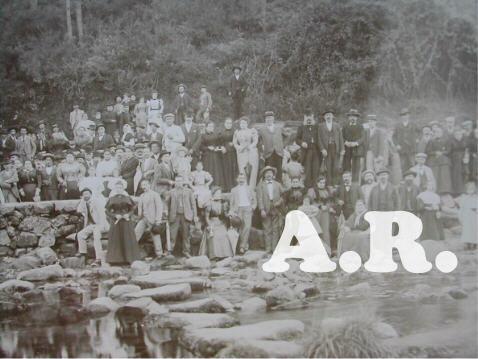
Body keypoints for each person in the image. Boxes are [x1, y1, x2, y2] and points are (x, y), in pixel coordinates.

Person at [105, 179, 141, 265]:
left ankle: (129, 258)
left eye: (120, 187)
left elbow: (133, 208)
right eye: (117, 188)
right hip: (116, 221)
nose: (119, 189)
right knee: (115, 239)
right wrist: (114, 215)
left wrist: (128, 214)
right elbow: (107, 211)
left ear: (123, 188)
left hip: (126, 221)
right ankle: (115, 260)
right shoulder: (112, 198)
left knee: (127, 238)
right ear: (115, 189)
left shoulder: (127, 198)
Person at [199, 186, 237, 259]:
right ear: (213, 194)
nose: (218, 195)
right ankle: (215, 255)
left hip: (220, 223)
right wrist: (209, 226)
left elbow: (225, 214)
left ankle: (225, 254)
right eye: (217, 193)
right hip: (212, 222)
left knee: (224, 234)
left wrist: (230, 215)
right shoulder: (209, 203)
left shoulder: (223, 203)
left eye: (220, 193)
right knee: (214, 235)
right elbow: (206, 217)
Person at [76, 188, 110, 266]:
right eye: (84, 194)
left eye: (87, 194)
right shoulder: (84, 203)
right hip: (92, 225)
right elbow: (79, 210)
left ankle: (98, 258)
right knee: (80, 234)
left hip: (102, 224)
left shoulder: (96, 202)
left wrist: (99, 226)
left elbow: (102, 215)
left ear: (91, 195)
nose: (86, 196)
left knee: (96, 235)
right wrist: (82, 201)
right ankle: (83, 252)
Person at [168, 175, 199, 257]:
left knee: (186, 234)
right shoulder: (171, 192)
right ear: (175, 182)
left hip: (186, 215)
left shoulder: (189, 191)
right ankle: (169, 251)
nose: (178, 183)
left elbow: (193, 204)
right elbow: (167, 204)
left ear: (183, 182)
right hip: (175, 215)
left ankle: (186, 251)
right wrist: (166, 212)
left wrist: (195, 215)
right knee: (172, 234)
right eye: (177, 181)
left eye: (180, 181)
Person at [256, 166, 284, 253]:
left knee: (275, 229)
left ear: (273, 175)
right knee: (267, 229)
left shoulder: (278, 184)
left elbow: (283, 196)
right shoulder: (260, 185)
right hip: (265, 208)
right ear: (264, 175)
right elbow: (259, 198)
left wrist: (279, 202)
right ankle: (268, 249)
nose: (268, 174)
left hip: (276, 208)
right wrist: (262, 209)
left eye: (270, 173)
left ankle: (274, 248)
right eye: (266, 173)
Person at [135, 179, 165, 257]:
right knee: (136, 233)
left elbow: (159, 207)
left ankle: (159, 254)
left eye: (145, 185)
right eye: (142, 185)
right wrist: (139, 216)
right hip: (143, 218)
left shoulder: (155, 195)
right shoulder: (142, 196)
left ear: (149, 185)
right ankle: (132, 252)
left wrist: (158, 219)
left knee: (155, 235)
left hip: (153, 219)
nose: (144, 187)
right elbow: (140, 208)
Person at [229, 172, 256, 254]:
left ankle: (242, 246)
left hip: (248, 208)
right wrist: (232, 211)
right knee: (240, 228)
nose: (241, 180)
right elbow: (232, 202)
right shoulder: (234, 190)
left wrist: (252, 207)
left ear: (245, 179)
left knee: (247, 227)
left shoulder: (249, 188)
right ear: (237, 180)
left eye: (243, 178)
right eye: (239, 178)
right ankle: (242, 246)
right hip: (238, 209)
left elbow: (254, 200)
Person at [318, 109, 344, 185]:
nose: (328, 117)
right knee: (328, 168)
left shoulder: (337, 125)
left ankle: (335, 185)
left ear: (333, 116)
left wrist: (342, 149)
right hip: (326, 150)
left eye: (330, 115)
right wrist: (322, 149)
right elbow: (319, 139)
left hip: (335, 149)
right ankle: (329, 185)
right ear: (324, 117)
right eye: (326, 115)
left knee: (336, 167)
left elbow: (341, 138)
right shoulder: (320, 126)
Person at [296, 110, 320, 188]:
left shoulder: (317, 127)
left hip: (316, 150)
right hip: (306, 151)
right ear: (305, 118)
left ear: (313, 118)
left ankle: (315, 187)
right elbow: (297, 139)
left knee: (315, 168)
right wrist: (302, 143)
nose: (309, 120)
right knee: (308, 169)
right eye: (307, 118)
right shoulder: (301, 127)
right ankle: (308, 187)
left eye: (311, 117)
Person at [233, 116, 259, 188]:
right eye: (241, 123)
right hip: (241, 152)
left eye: (244, 123)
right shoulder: (237, 132)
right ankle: (244, 185)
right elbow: (235, 143)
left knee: (253, 168)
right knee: (242, 168)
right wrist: (239, 148)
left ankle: (252, 186)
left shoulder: (252, 131)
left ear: (247, 124)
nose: (243, 125)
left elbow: (255, 140)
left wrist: (250, 147)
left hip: (251, 151)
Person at [425, 125, 452, 195]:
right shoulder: (431, 141)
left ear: (442, 133)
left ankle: (445, 191)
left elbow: (449, 150)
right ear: (434, 133)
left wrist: (442, 153)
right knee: (435, 175)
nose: (438, 133)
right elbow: (427, 151)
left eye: (439, 132)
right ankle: (435, 190)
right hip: (434, 160)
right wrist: (435, 152)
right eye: (436, 132)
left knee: (444, 175)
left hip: (444, 159)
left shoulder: (447, 140)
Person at [259, 111, 284, 181]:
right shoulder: (262, 130)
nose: (269, 120)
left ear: (273, 119)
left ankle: (279, 186)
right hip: (268, 153)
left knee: (279, 170)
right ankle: (269, 186)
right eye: (267, 118)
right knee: (269, 170)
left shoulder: (279, 128)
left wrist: (282, 145)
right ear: (265, 119)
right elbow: (259, 141)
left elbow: (287, 136)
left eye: (270, 118)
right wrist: (262, 148)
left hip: (278, 152)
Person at [393, 107, 418, 173]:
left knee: (412, 164)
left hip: (411, 149)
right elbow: (394, 137)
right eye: (402, 115)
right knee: (403, 166)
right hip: (402, 149)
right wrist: (397, 144)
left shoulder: (413, 124)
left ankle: (414, 181)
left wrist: (417, 139)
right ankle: (404, 180)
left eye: (406, 115)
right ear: (401, 117)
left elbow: (420, 132)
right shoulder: (398, 125)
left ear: (409, 115)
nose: (404, 117)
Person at [342, 109, 365, 182]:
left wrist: (356, 143)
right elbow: (341, 136)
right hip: (347, 149)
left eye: (354, 116)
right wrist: (345, 142)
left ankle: (355, 183)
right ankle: (347, 182)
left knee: (356, 168)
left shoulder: (360, 126)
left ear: (356, 118)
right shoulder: (345, 126)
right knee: (347, 166)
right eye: (351, 116)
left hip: (356, 149)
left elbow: (363, 137)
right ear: (348, 117)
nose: (352, 118)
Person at [201, 121, 225, 188]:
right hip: (207, 155)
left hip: (215, 154)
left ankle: (217, 185)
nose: (211, 128)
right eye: (209, 126)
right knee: (209, 169)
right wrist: (208, 148)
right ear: (206, 127)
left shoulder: (216, 135)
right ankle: (208, 186)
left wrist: (218, 147)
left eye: (212, 126)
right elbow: (201, 146)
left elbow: (220, 143)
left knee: (216, 169)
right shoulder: (203, 135)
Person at [455, 181, 477, 250]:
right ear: (466, 189)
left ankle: (474, 244)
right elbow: (461, 207)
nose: (471, 190)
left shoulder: (476, 197)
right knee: (467, 230)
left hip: (474, 216)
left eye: (472, 188)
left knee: (475, 230)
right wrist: (460, 216)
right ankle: (468, 244)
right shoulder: (464, 197)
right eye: (469, 188)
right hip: (467, 216)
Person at [219, 117, 238, 192]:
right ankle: (227, 187)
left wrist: (233, 144)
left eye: (230, 123)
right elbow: (218, 142)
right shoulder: (221, 132)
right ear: (224, 124)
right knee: (225, 169)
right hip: (224, 154)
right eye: (227, 123)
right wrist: (222, 147)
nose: (228, 124)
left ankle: (233, 187)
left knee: (233, 169)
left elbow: (238, 141)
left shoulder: (235, 131)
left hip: (233, 153)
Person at [449, 128, 466, 196]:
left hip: (463, 159)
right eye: (457, 134)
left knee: (464, 173)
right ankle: (456, 191)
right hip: (455, 160)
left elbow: (466, 150)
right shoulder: (452, 142)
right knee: (456, 175)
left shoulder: (464, 141)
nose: (458, 136)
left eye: (460, 134)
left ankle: (463, 190)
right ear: (454, 135)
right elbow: (449, 151)